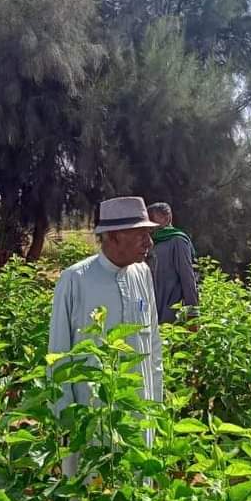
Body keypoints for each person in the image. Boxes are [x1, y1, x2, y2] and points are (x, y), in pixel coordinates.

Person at [48, 196, 163, 472]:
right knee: (91, 482)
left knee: (136, 481)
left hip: (138, 408)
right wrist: (64, 419)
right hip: (91, 415)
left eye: (149, 234)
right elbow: (59, 354)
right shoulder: (75, 280)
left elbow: (153, 344)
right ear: (112, 236)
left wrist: (156, 405)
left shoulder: (142, 274)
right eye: (140, 235)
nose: (149, 243)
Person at [146, 202, 199, 324]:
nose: (150, 223)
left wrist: (193, 316)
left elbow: (188, 280)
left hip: (171, 315)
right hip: (149, 314)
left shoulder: (178, 241)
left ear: (167, 218)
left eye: (153, 218)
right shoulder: (149, 243)